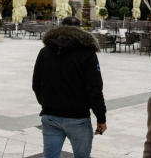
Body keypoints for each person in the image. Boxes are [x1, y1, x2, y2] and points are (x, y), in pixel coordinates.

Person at [32, 16, 106, 158]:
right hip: (77, 117)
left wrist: (46, 103)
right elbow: (94, 89)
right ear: (79, 29)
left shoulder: (45, 51)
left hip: (50, 116)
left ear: (60, 27)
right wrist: (101, 118)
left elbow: (36, 84)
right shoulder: (87, 53)